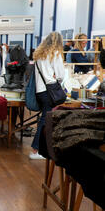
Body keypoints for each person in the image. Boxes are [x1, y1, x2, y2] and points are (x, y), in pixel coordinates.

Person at [30, 32, 65, 160]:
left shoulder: (39, 55)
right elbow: (61, 75)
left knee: (44, 118)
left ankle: (39, 147)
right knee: (46, 119)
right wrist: (56, 78)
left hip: (39, 91)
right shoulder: (55, 54)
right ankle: (37, 147)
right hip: (49, 90)